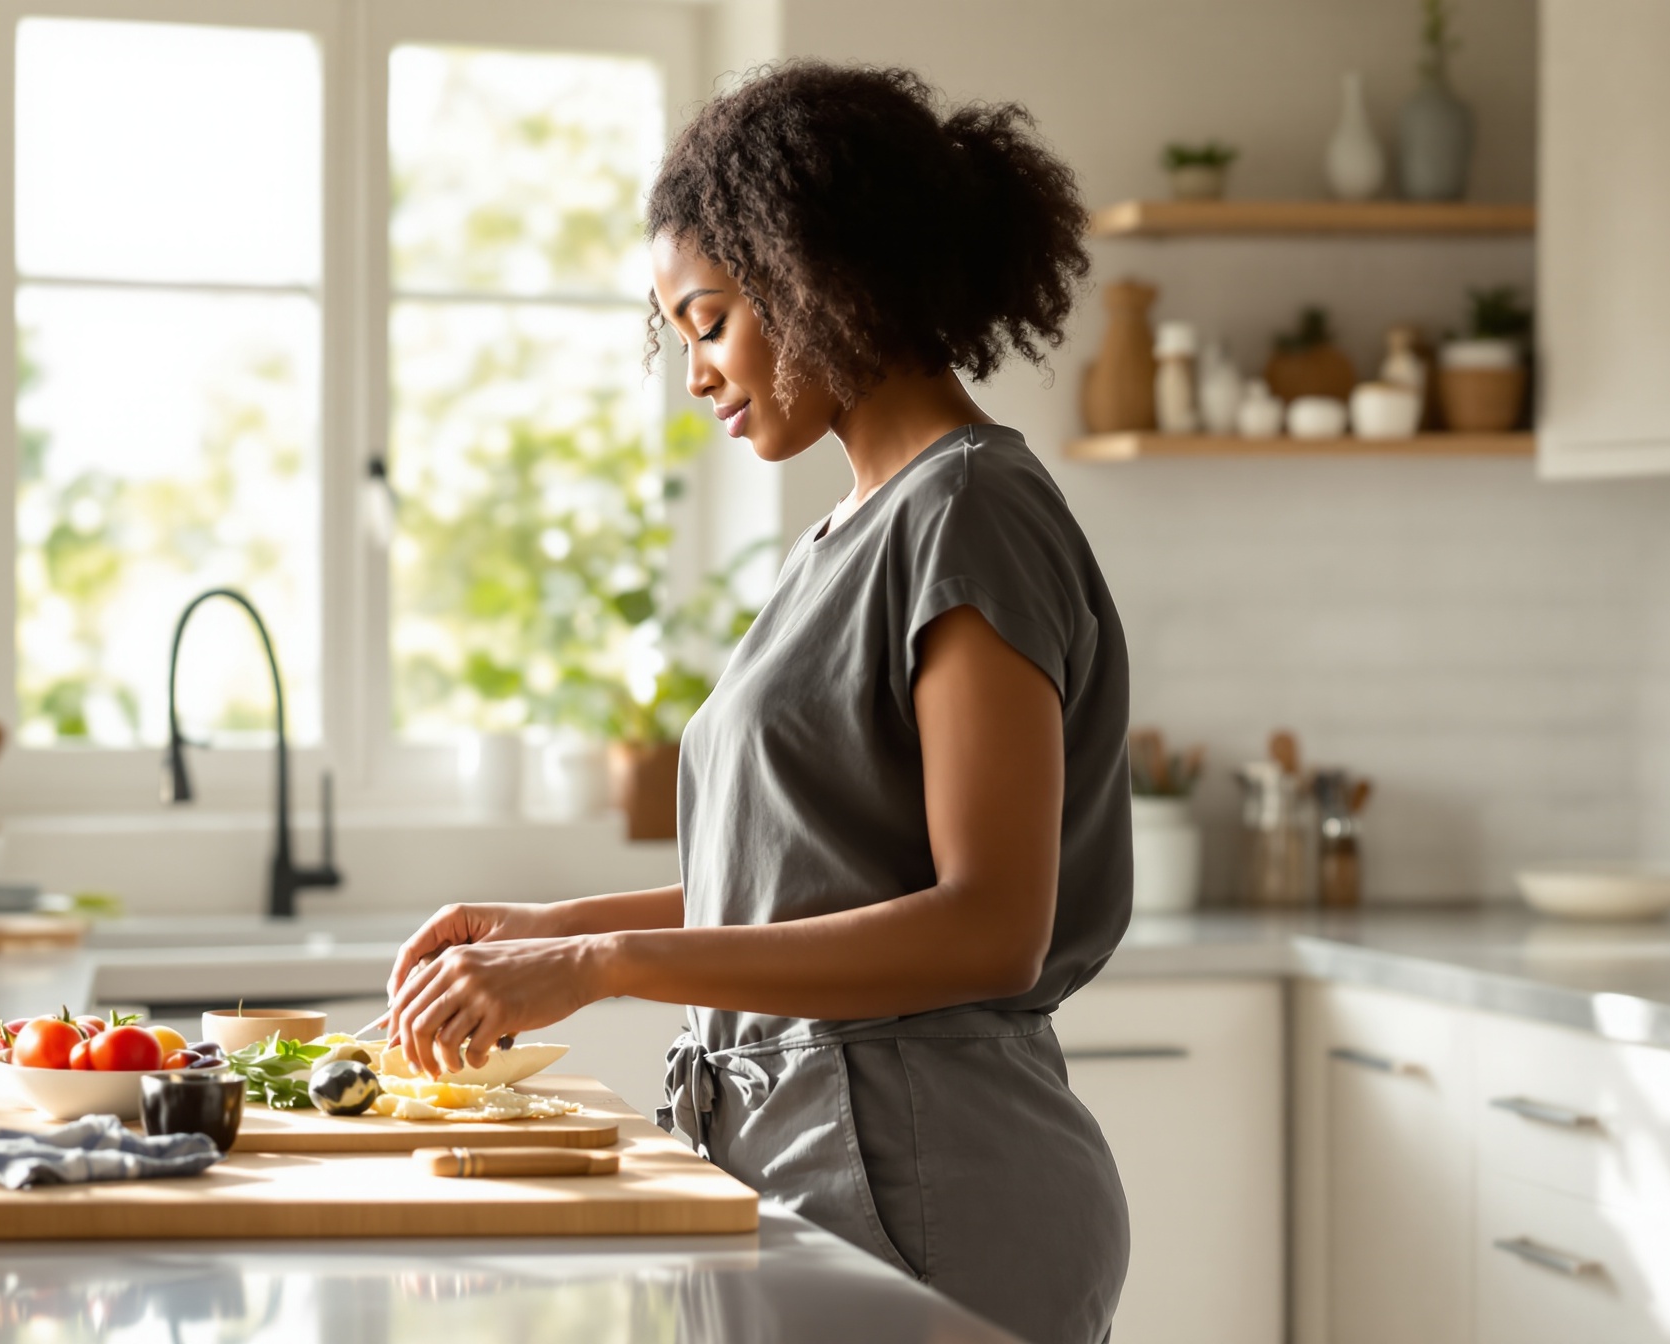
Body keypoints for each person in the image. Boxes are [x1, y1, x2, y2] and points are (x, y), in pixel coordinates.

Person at [377, 62, 1128, 1344]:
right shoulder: (854, 530)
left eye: (710, 320)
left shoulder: (966, 513)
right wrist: (549, 925)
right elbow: (813, 881)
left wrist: (597, 962)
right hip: (817, 1159)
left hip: (926, 1184)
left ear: (815, 273)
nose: (697, 376)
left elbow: (989, 927)